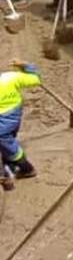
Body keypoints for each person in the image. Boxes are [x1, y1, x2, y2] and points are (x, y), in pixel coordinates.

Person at [0, 60, 41, 191]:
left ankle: (26, 168)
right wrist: (26, 65)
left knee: (7, 143)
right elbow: (36, 78)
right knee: (8, 140)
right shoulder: (9, 78)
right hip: (14, 114)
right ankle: (9, 169)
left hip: (5, 120)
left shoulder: (9, 78)